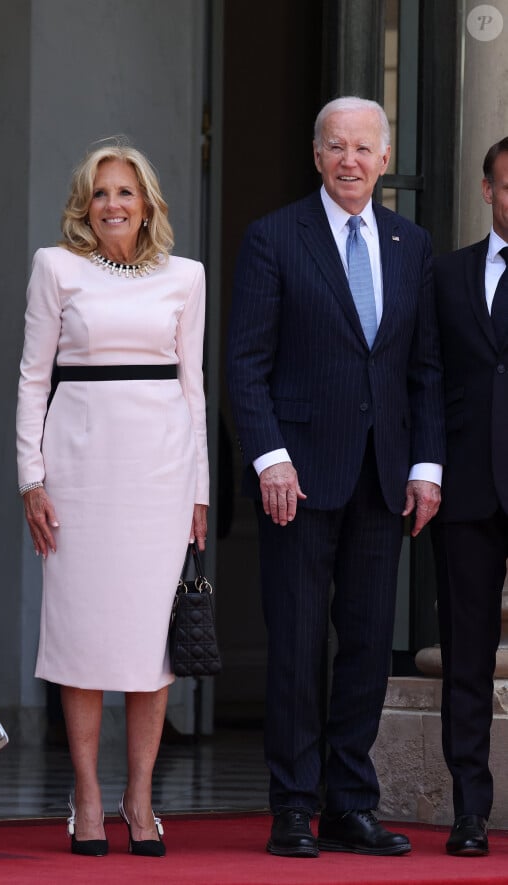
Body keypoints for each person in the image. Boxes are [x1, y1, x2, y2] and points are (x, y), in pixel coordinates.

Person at [227, 96, 445, 858]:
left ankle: (350, 801)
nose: (350, 160)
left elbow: (423, 368)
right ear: (316, 156)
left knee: (365, 643)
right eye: (336, 147)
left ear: (385, 159)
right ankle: (292, 804)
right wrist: (269, 456)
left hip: (384, 476)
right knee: (293, 642)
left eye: (364, 148)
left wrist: (426, 465)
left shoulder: (409, 243)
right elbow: (245, 364)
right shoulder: (273, 238)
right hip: (300, 476)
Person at [16, 142, 209, 857]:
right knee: (82, 635)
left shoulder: (185, 277)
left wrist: (200, 488)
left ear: (148, 202)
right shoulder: (55, 267)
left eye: (125, 192)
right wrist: (29, 477)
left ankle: (140, 794)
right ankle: (89, 796)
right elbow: (33, 378)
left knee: (146, 642)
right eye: (100, 193)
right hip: (77, 474)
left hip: (160, 475)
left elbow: (194, 387)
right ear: (83, 205)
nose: (113, 205)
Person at [431, 137, 508, 857]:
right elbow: (428, 378)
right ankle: (469, 813)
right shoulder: (448, 276)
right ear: (488, 190)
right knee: (466, 659)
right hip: (466, 493)